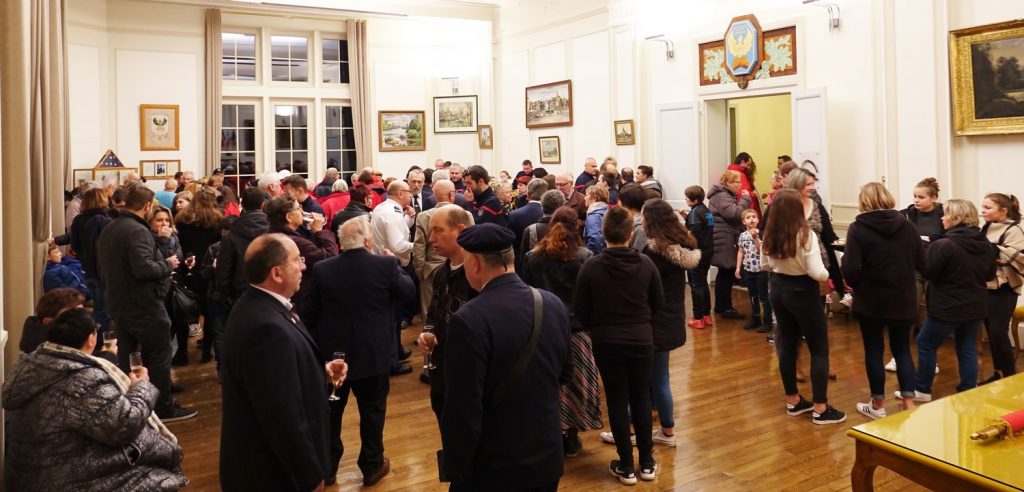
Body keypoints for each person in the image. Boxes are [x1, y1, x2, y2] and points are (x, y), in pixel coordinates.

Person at [441, 224, 571, 491]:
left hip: (496, 465)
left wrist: (455, 467)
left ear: (475, 264)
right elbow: (565, 373)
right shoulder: (552, 303)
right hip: (547, 455)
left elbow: (463, 408)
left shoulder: (468, 319)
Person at [3, 308, 187, 491]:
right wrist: (142, 387)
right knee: (160, 476)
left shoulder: (29, 365)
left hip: (27, 475)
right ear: (91, 339)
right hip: (65, 479)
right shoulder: (81, 378)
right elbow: (124, 425)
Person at [220, 234, 347, 491]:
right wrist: (309, 475)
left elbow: (272, 380)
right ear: (276, 273)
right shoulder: (266, 329)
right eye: (297, 260)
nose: (303, 267)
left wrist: (319, 371)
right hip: (274, 474)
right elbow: (281, 415)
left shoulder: (258, 305)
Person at [302, 217, 415, 486]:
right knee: (373, 411)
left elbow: (309, 312)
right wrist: (395, 263)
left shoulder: (323, 269)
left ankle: (328, 467)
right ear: (367, 241)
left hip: (334, 356)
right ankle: (372, 465)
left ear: (341, 242)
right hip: (373, 353)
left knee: (330, 412)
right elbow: (408, 293)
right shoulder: (385, 265)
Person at [576, 206, 663, 484]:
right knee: (641, 397)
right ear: (630, 234)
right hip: (641, 339)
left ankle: (626, 464)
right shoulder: (646, 264)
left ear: (604, 233)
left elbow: (581, 310)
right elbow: (658, 303)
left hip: (607, 341)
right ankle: (647, 462)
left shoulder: (591, 267)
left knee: (616, 399)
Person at [96, 184, 195, 422]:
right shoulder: (136, 230)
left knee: (129, 356)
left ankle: (133, 401)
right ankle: (162, 408)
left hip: (119, 302)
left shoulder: (111, 227)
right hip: (143, 304)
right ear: (147, 206)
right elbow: (144, 269)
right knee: (158, 355)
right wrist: (168, 264)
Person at [840, 182, 924, 419]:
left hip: (871, 300)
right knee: (902, 350)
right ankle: (908, 402)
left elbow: (851, 269)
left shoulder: (857, 228)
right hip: (902, 297)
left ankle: (877, 405)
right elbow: (922, 261)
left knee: (874, 351)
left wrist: (857, 284)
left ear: (863, 201)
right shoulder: (907, 226)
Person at [522, 208, 601, 458]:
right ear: (576, 227)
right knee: (575, 385)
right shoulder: (585, 257)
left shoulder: (532, 258)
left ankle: (551, 433)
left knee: (548, 383)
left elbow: (528, 294)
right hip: (577, 330)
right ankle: (572, 437)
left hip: (543, 328)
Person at [762, 189, 845, 425]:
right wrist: (829, 274)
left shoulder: (769, 234)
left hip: (778, 289)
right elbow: (817, 272)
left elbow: (764, 265)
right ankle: (820, 408)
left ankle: (793, 401)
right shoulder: (805, 235)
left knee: (787, 345)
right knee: (819, 348)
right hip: (803, 291)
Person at [903, 199, 997, 401]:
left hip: (947, 306)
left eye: (945, 214)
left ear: (956, 218)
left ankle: (922, 389)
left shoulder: (944, 245)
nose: (942, 218)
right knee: (967, 347)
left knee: (925, 343)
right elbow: (989, 275)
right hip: (975, 305)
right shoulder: (985, 244)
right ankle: (968, 389)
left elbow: (928, 272)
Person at [639, 199, 701, 447]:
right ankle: (664, 430)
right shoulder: (681, 246)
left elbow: (644, 287)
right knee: (658, 378)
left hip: (654, 320)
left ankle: (658, 431)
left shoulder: (654, 252)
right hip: (671, 316)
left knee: (652, 379)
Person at [415, 206, 476, 418]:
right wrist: (429, 331)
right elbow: (434, 311)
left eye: (438, 230)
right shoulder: (442, 272)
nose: (432, 238)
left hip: (467, 376)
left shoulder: (476, 276)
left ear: (460, 230)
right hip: (442, 372)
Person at [265, 195, 338, 315]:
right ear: (289, 217)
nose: (302, 211)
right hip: (300, 302)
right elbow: (331, 260)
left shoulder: (270, 235)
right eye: (298, 208)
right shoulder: (295, 242)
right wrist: (320, 231)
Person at [174, 187, 224, 363]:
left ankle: (182, 352)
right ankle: (206, 351)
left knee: (182, 309)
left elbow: (178, 245)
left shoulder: (182, 220)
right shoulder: (217, 221)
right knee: (209, 312)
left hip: (187, 267)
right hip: (208, 269)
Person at [980, 193, 1024, 383]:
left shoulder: (1014, 230)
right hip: (987, 286)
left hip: (1005, 289)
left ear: (1003, 210)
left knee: (999, 333)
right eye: (983, 207)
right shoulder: (986, 226)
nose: (983, 211)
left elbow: (1018, 257)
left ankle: (1010, 379)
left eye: (988, 207)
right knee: (992, 334)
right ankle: (998, 374)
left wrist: (993, 252)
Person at [412, 180, 464, 326]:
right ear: (452, 194)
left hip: (430, 269)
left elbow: (419, 248)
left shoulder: (423, 216)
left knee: (429, 311)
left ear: (435, 196)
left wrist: (420, 272)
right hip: (460, 269)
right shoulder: (465, 215)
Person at [708, 170, 752, 319]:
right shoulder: (723, 196)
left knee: (724, 273)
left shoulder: (723, 195)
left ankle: (721, 306)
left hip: (725, 237)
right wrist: (745, 199)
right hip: (725, 238)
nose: (740, 185)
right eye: (737, 182)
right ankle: (726, 308)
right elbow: (735, 214)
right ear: (728, 183)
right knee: (726, 272)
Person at [215, 187, 269, 304]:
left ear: (242, 205)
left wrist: (222, 293)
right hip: (268, 287)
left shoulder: (231, 235)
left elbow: (224, 269)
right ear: (262, 205)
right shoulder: (273, 230)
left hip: (240, 291)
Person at [70, 187, 113, 331]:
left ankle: (95, 336)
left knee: (98, 306)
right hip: (102, 271)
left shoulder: (78, 220)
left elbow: (74, 245)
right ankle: (100, 338)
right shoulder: (104, 220)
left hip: (86, 269)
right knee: (103, 310)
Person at [735, 209, 772, 332]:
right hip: (748, 269)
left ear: (758, 220)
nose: (751, 219)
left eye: (754, 216)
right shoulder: (742, 236)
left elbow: (761, 249)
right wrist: (738, 267)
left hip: (761, 270)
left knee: (763, 296)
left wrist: (755, 237)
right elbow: (741, 251)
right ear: (743, 221)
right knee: (752, 295)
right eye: (748, 217)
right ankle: (756, 318)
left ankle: (767, 321)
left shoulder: (761, 234)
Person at [685, 185, 714, 329]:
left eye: (687, 198)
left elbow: (694, 232)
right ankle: (706, 315)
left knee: (696, 284)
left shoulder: (695, 213)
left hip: (697, 253)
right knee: (703, 282)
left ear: (694, 199)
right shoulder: (706, 210)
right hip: (708, 250)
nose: (685, 200)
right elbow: (703, 228)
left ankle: (698, 318)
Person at [509, 178, 548, 267]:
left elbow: (511, 242)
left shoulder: (514, 215)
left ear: (528, 194)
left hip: (521, 262)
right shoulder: (548, 214)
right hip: (545, 262)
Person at [521, 189, 566, 253]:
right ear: (562, 207)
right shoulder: (567, 229)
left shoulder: (530, 230)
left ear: (542, 206)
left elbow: (524, 256)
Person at [728, 152, 760, 217]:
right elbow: (743, 194)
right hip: (745, 212)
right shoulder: (740, 175)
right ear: (742, 162)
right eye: (748, 164)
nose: (749, 167)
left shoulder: (731, 172)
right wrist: (753, 194)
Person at [583, 185, 610, 254]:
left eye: (587, 195)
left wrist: (591, 256)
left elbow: (595, 240)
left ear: (594, 198)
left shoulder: (594, 216)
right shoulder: (607, 211)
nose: (584, 198)